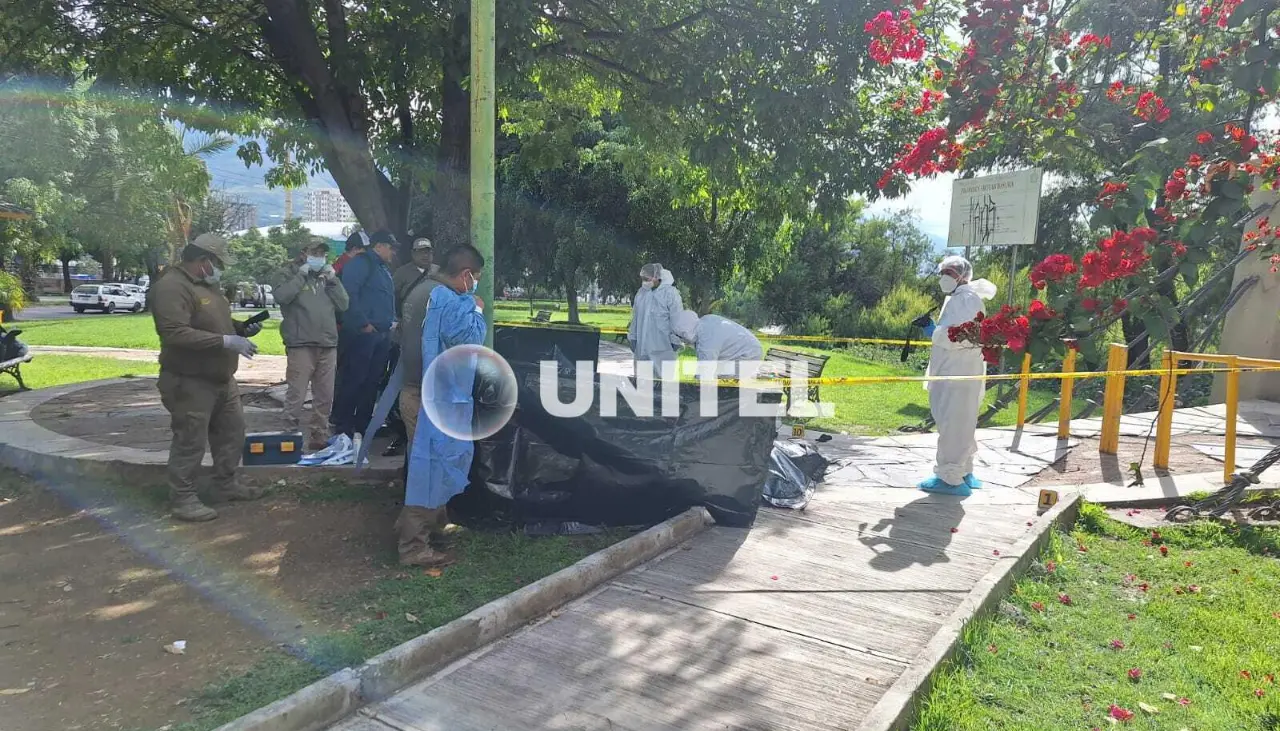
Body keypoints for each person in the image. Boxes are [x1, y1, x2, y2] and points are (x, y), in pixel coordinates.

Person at [150, 234, 266, 522]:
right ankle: (183, 498)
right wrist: (226, 342)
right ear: (203, 261)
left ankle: (225, 484)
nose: (220, 269)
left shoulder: (207, 286)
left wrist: (239, 330)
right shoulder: (171, 287)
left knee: (232, 432)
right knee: (191, 440)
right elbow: (174, 332)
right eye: (217, 263)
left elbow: (214, 324)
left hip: (221, 378)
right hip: (189, 380)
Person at [399, 244, 487, 567]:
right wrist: (476, 309)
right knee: (429, 468)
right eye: (476, 277)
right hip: (429, 398)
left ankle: (433, 527)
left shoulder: (420, 289)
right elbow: (468, 339)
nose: (476, 283)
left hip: (415, 391)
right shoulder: (446, 300)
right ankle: (413, 545)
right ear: (466, 274)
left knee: (429, 464)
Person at [918, 255, 997, 497]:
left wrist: (933, 332)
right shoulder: (963, 298)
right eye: (943, 272)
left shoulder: (965, 300)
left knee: (953, 424)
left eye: (950, 273)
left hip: (956, 373)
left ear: (962, 275)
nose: (945, 277)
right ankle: (964, 471)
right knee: (962, 423)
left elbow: (959, 336)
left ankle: (950, 478)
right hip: (960, 371)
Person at [273, 238, 349, 451]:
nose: (319, 257)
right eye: (315, 252)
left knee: (325, 395)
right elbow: (282, 296)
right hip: (301, 343)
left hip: (327, 342)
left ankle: (319, 436)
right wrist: (301, 276)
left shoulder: (326, 276)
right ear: (303, 252)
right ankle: (289, 434)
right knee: (296, 393)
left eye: (322, 253)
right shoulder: (287, 272)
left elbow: (344, 304)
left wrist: (334, 281)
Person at [332, 230, 397, 438]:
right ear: (378, 246)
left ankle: (364, 424)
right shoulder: (361, 264)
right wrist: (363, 324)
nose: (393, 252)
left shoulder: (382, 269)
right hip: (363, 334)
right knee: (355, 379)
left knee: (372, 381)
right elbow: (349, 296)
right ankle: (343, 425)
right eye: (390, 247)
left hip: (381, 334)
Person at [627, 263, 683, 378]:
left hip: (663, 348)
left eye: (646, 279)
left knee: (663, 385)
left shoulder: (671, 293)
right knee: (642, 385)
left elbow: (677, 318)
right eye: (642, 279)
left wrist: (675, 340)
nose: (644, 282)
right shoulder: (641, 293)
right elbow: (636, 317)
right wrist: (632, 337)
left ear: (657, 277)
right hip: (642, 348)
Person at [671, 310, 763, 376]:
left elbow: (705, 371)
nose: (684, 342)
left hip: (748, 356)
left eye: (681, 338)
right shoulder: (705, 322)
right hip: (749, 350)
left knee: (723, 386)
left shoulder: (707, 340)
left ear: (685, 333)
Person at [393, 238, 437, 310]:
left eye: (428, 252)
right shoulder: (401, 273)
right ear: (413, 254)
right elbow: (392, 295)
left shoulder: (439, 272)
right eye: (421, 252)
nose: (425, 255)